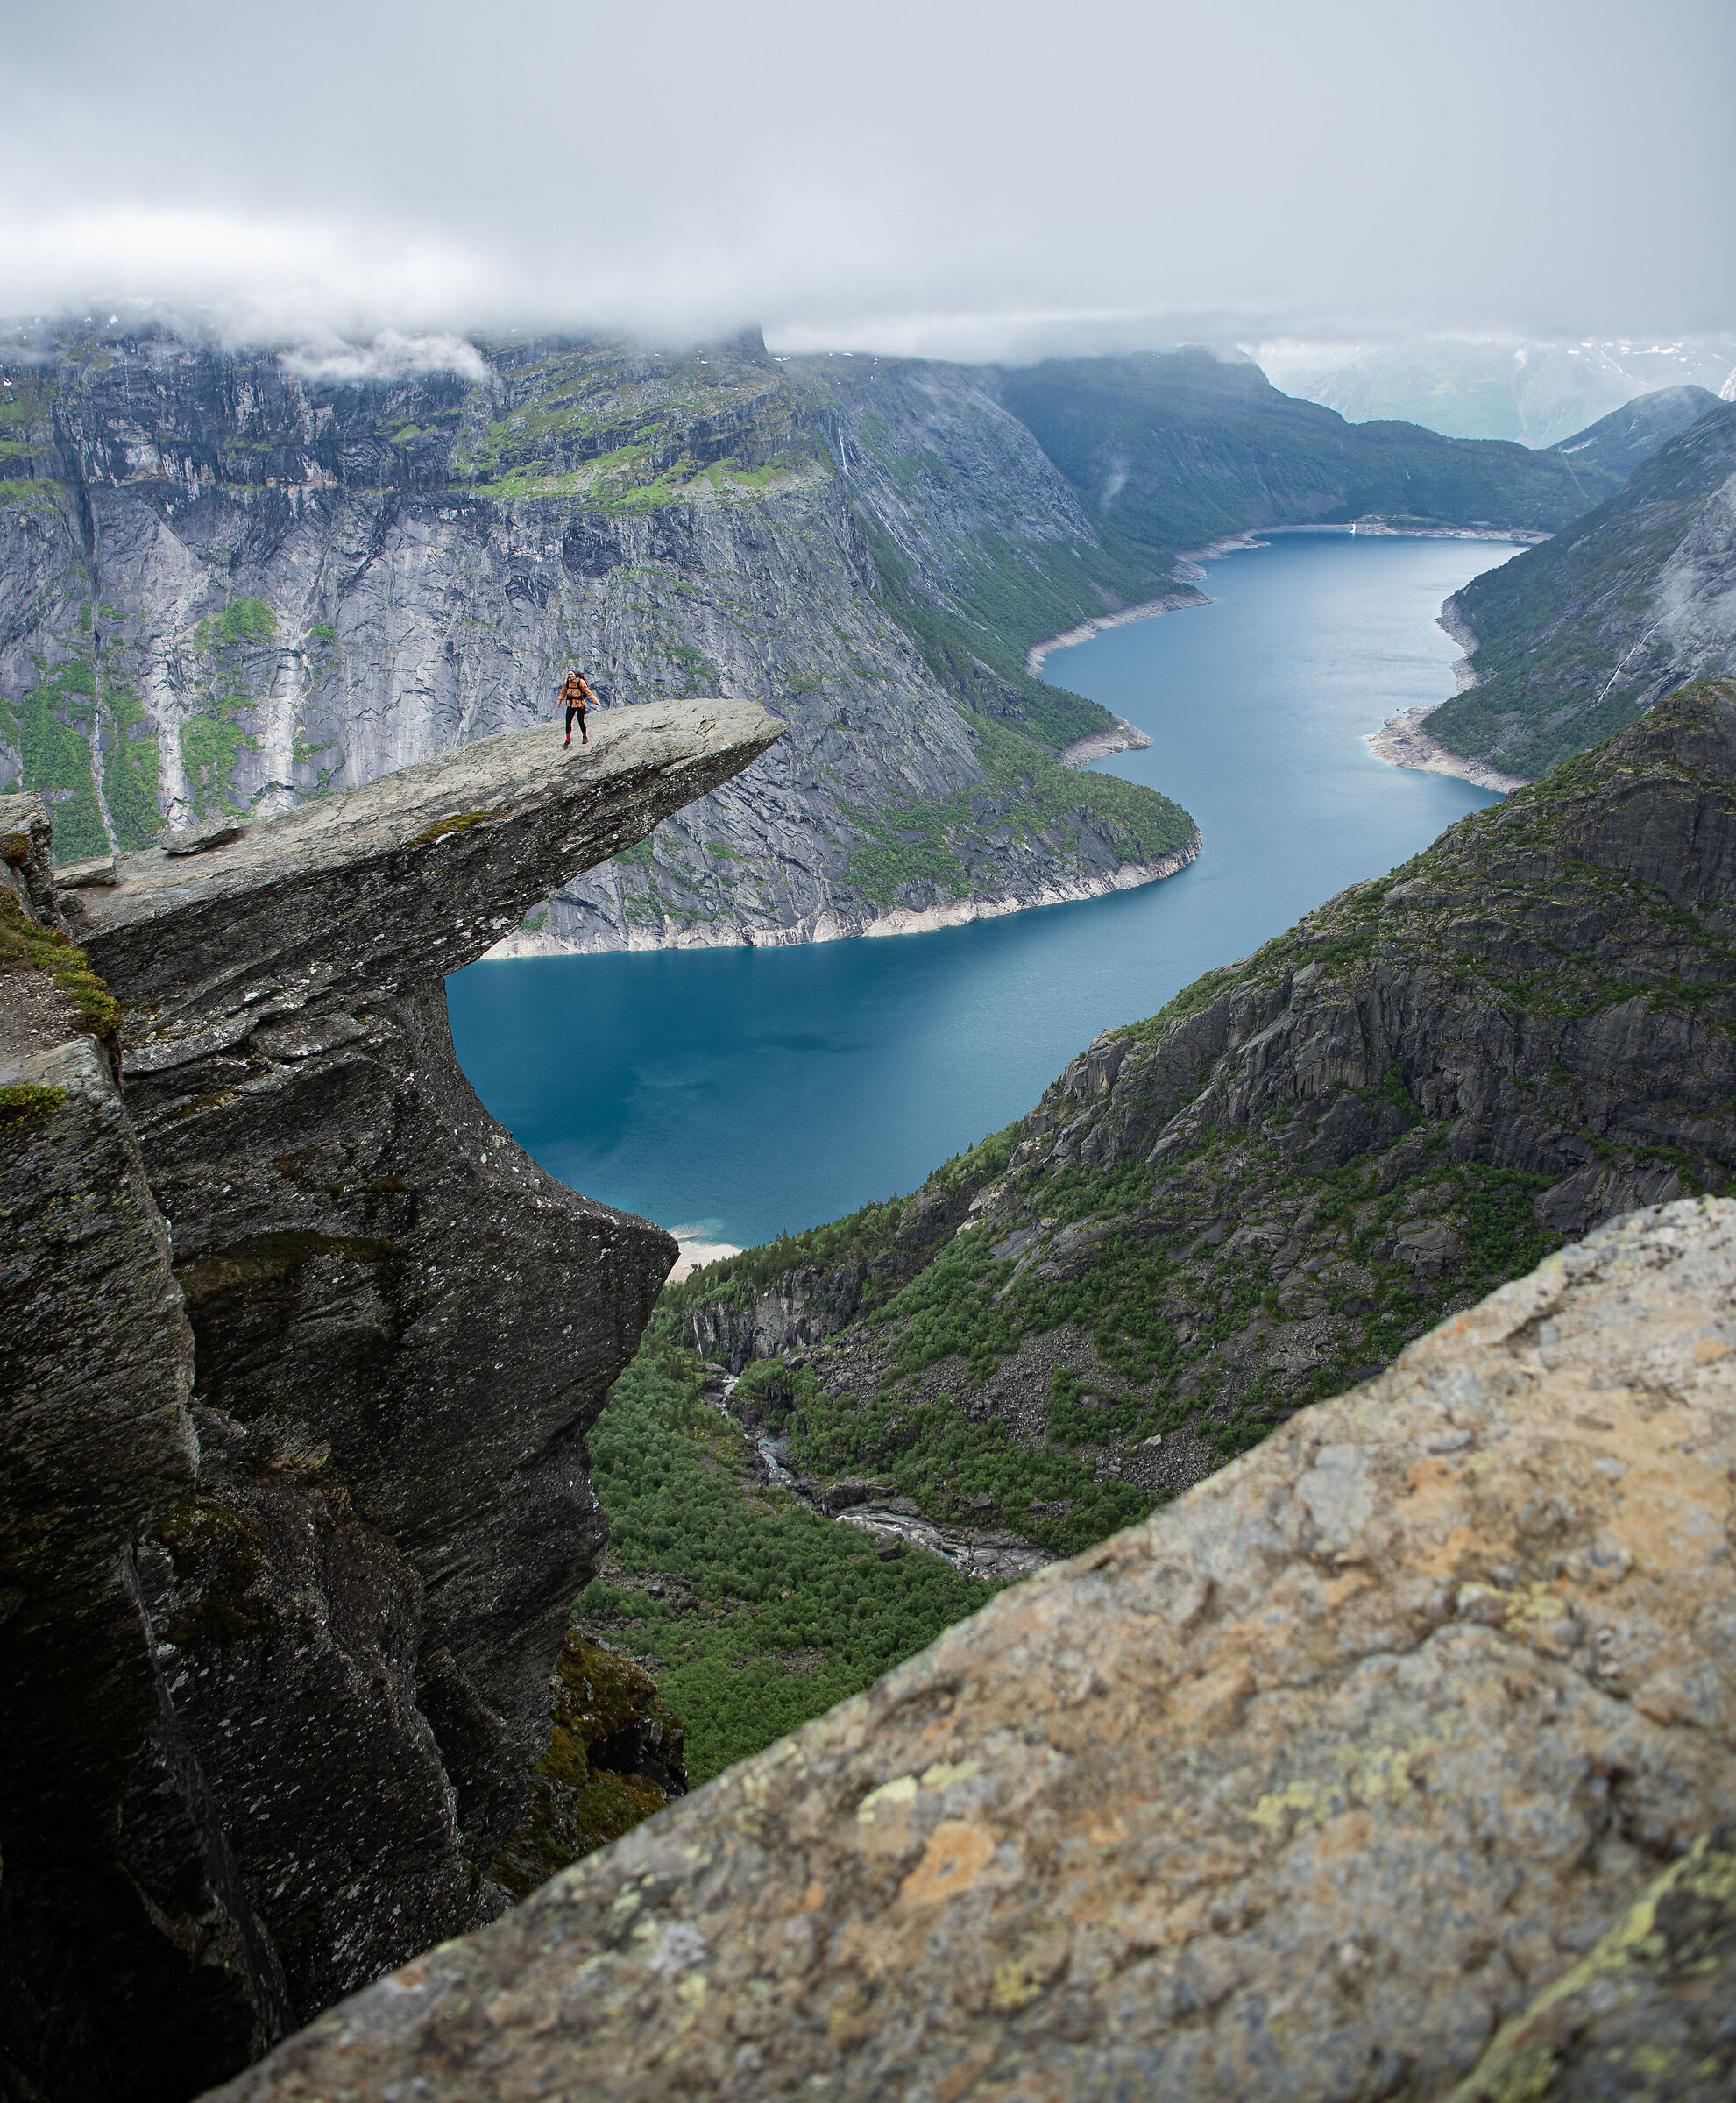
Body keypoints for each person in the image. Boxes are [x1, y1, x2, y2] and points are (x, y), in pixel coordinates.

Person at [559, 668, 598, 746]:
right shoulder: (566, 683)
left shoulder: (581, 682)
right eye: (569, 674)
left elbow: (588, 692)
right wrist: (559, 701)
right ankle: (568, 740)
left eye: (571, 674)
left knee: (581, 721)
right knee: (568, 722)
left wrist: (595, 701)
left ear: (574, 674)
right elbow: (563, 692)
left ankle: (584, 736)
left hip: (580, 704)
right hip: (570, 704)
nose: (570, 676)